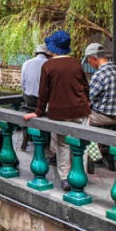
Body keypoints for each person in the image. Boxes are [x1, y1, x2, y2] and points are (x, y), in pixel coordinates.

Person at [23, 30, 90, 191]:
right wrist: (88, 104)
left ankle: (66, 178)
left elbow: (43, 93)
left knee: (63, 145)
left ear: (52, 48)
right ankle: (80, 175)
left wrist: (38, 112)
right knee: (82, 145)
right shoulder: (76, 64)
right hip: (81, 110)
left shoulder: (49, 66)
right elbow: (86, 88)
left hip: (60, 112)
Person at [83, 43, 116, 128]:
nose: (90, 64)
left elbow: (86, 97)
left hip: (103, 117)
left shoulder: (100, 74)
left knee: (74, 116)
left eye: (89, 62)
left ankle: (85, 140)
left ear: (92, 58)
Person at [18, 43, 50, 151]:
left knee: (27, 105)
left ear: (36, 53)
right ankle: (46, 141)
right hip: (44, 102)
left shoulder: (27, 63)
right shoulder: (50, 64)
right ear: (48, 54)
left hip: (29, 99)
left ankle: (25, 141)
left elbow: (23, 83)